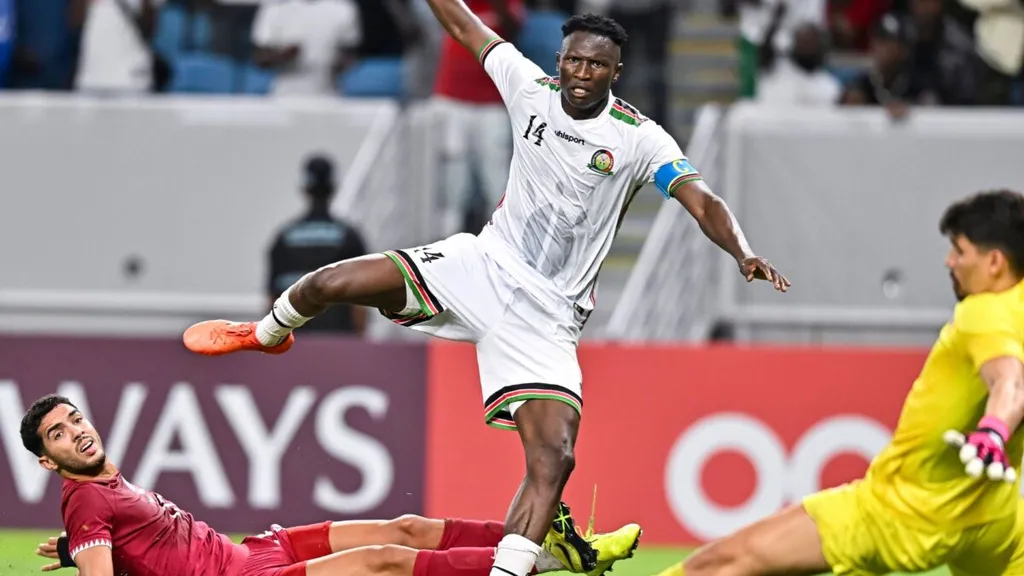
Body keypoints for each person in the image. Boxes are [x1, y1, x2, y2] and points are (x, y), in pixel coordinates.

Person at [182, 6, 790, 576]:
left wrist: (743, 251)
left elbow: (701, 200)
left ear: (616, 71)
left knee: (555, 459)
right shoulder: (528, 87)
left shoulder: (639, 137)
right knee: (330, 281)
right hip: (482, 265)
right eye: (575, 61)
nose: (583, 74)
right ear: (560, 60)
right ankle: (265, 334)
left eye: (598, 65)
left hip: (548, 315)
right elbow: (461, 22)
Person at [653, 189, 1024, 576]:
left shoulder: (984, 312)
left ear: (994, 262)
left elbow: (1009, 382)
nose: (950, 261)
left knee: (721, 564)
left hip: (901, 513)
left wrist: (994, 430)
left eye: (960, 251)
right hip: (994, 522)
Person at [21, 393, 642, 576]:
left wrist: (92, 548)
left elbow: (131, 546)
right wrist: (89, 548)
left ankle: (551, 540)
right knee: (383, 561)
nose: (77, 433)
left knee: (405, 527)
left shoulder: (98, 488)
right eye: (58, 435)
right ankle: (550, 561)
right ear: (49, 462)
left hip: (252, 552)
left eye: (75, 419)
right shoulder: (85, 498)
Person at [266, 155, 369, 336]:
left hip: (295, 342)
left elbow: (272, 301)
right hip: (339, 341)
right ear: (333, 189)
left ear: (305, 189)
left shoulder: (284, 238)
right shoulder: (349, 237)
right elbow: (360, 305)